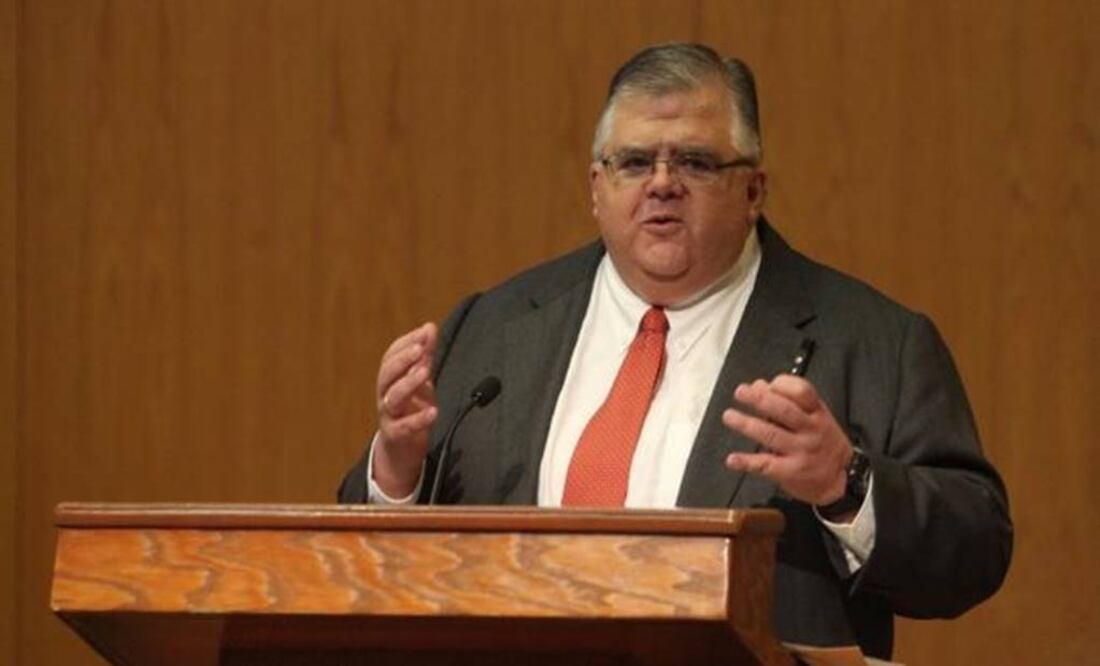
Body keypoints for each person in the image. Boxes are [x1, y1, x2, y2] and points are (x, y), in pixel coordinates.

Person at [338, 43, 1012, 659]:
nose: (662, 183)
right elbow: (363, 566)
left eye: (694, 161)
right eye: (635, 161)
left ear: (753, 190)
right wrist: (396, 474)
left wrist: (847, 484)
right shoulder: (492, 328)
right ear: (596, 188)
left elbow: (975, 554)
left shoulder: (872, 341)